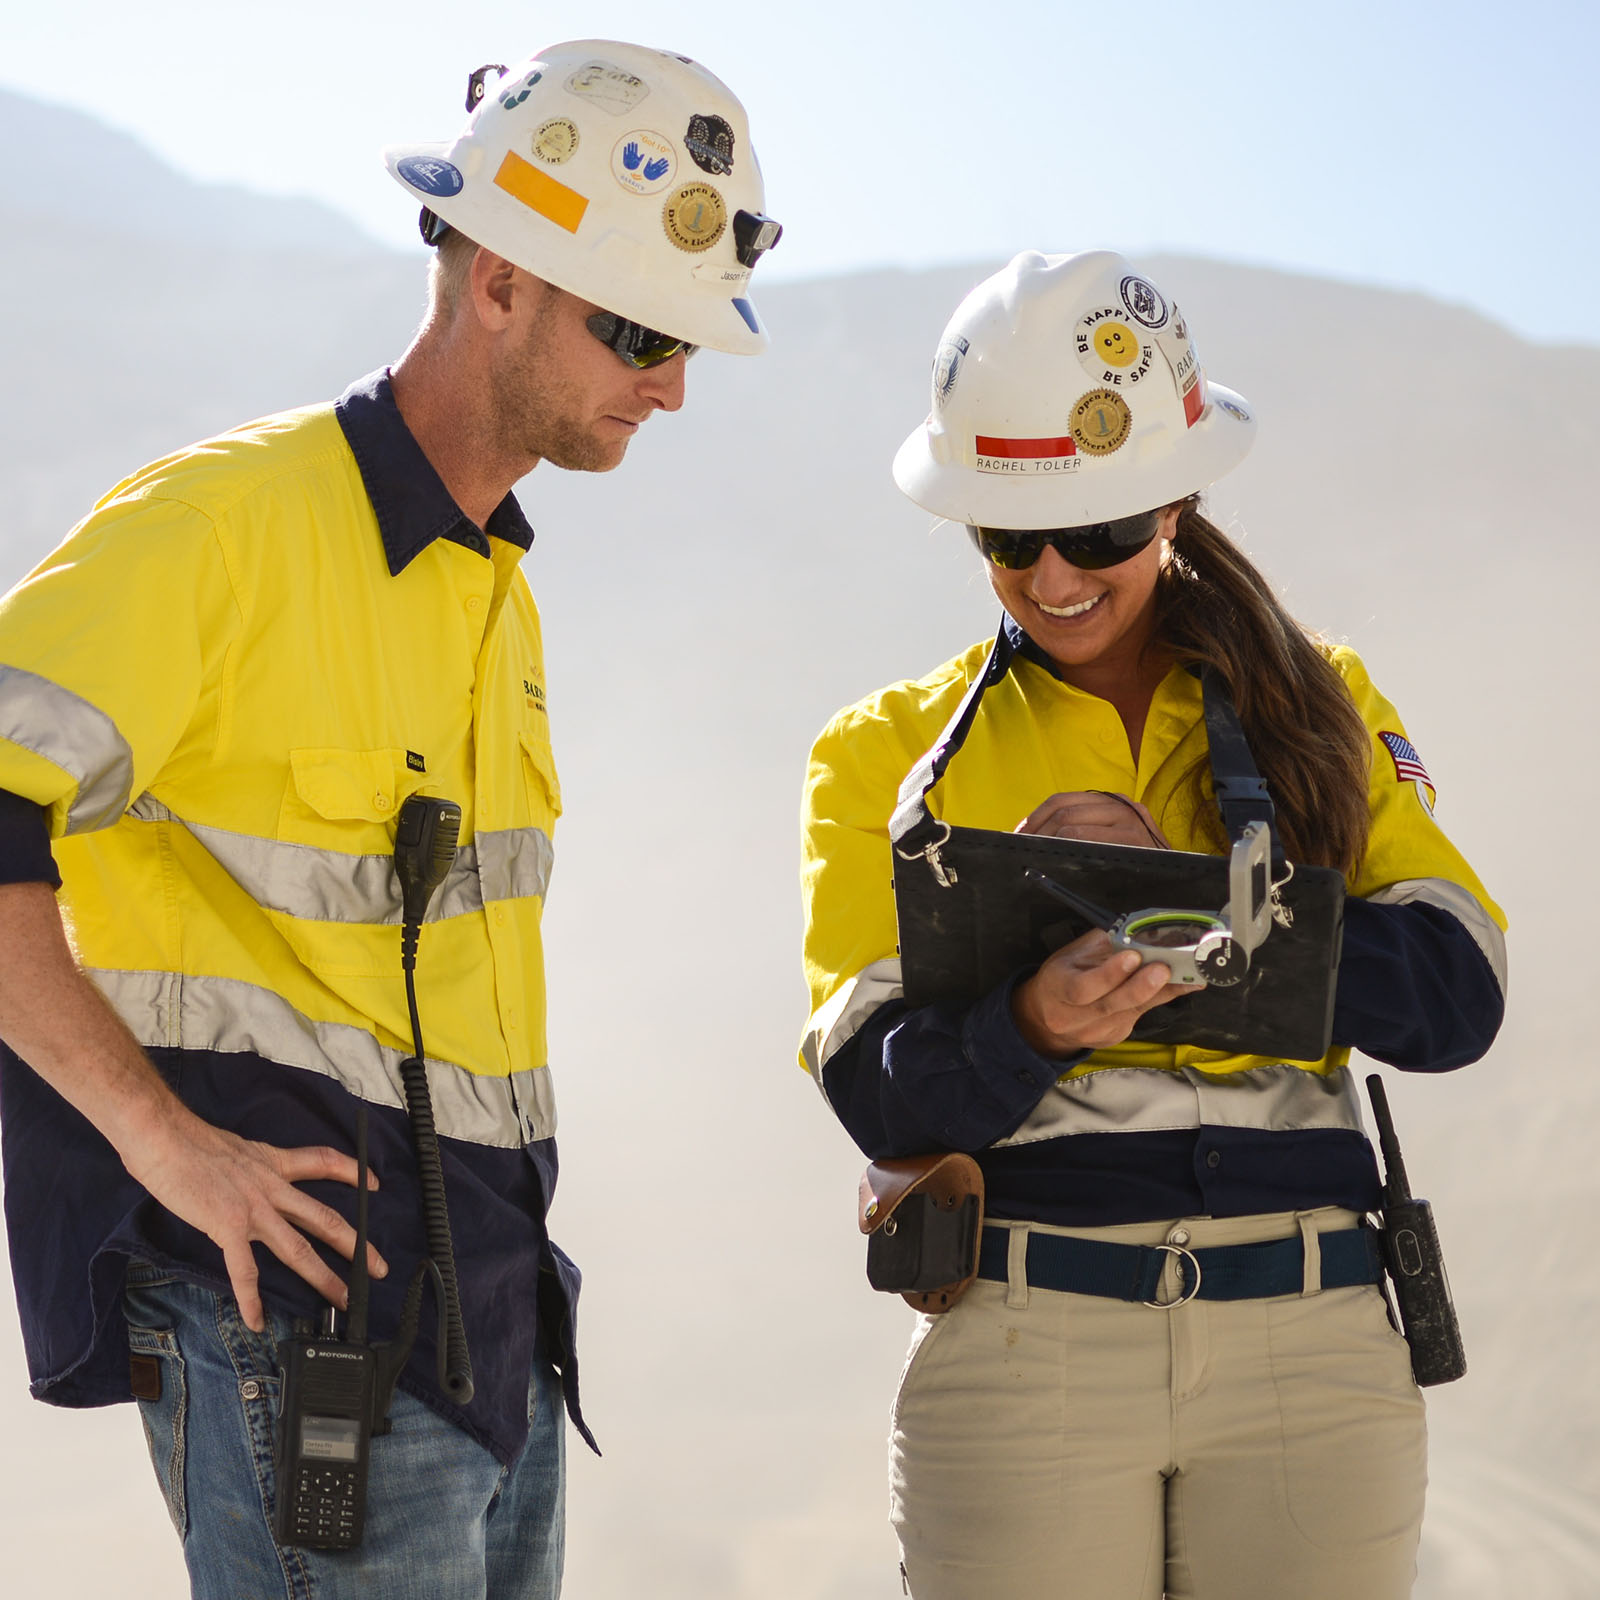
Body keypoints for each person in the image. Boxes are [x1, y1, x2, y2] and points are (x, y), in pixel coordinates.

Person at [0, 40, 781, 1600]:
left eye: (690, 339)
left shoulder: (495, 593)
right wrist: (168, 1148)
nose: (675, 381)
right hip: (301, 1340)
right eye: (639, 329)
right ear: (494, 280)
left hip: (494, 1336)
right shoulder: (223, 528)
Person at [798, 250, 1505, 1600]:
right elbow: (876, 1092)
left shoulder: (1326, 702)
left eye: (1103, 534)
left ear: (1173, 503)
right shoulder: (882, 756)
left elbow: (1456, 995)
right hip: (1024, 1345)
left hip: (1315, 1351)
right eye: (1010, 538)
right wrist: (1028, 1025)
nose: (1054, 574)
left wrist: (1194, 904)